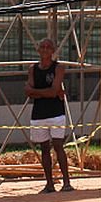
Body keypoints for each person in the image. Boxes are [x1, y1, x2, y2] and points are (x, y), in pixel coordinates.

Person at [26, 38, 73, 193]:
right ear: (38, 50)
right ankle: (49, 184)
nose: (45, 49)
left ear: (53, 51)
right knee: (44, 148)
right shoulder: (33, 69)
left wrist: (38, 92)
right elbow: (28, 92)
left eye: (48, 47)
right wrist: (49, 92)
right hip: (39, 114)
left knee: (58, 146)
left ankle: (66, 183)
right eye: (42, 47)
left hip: (56, 113)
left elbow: (53, 91)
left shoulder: (58, 68)